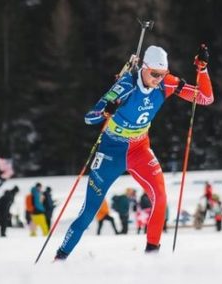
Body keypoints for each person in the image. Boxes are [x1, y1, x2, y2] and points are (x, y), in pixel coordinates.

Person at [55, 44, 213, 260]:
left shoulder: (166, 83)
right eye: (154, 74)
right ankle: (60, 258)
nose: (159, 79)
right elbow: (89, 117)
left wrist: (202, 70)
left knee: (160, 197)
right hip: (112, 151)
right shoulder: (126, 85)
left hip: (140, 149)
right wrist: (105, 111)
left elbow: (204, 98)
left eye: (163, 74)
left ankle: (151, 257)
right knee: (89, 212)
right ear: (144, 68)